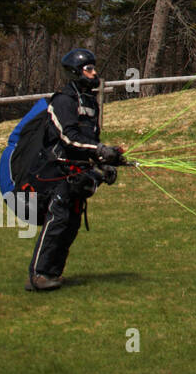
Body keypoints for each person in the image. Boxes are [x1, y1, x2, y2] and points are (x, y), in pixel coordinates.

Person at [21, 48, 125, 291]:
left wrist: (105, 162)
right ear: (77, 72)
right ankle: (38, 275)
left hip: (78, 173)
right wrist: (100, 149)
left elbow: (89, 141)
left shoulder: (89, 102)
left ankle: (53, 273)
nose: (94, 73)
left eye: (94, 68)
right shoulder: (64, 100)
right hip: (58, 172)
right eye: (89, 69)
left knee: (71, 223)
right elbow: (69, 138)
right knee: (58, 220)